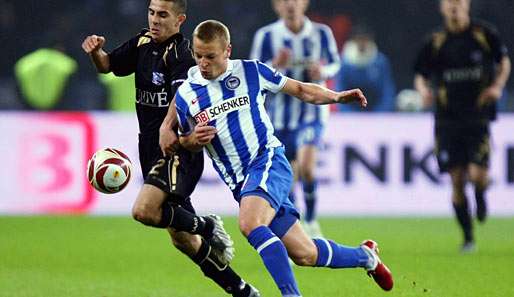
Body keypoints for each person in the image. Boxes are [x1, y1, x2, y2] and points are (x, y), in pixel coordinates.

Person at [169, 19, 393, 297]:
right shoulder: (186, 94)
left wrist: (336, 96)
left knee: (250, 224)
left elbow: (300, 89)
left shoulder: (251, 71)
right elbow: (185, 141)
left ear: (227, 50)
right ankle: (365, 256)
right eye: (199, 55)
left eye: (210, 56)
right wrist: (191, 140)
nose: (203, 63)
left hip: (267, 161)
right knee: (305, 253)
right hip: (242, 183)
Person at [81, 1, 260, 296]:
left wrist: (178, 135)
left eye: (162, 15)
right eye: (151, 12)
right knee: (181, 238)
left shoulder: (181, 57)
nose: (154, 20)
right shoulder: (142, 43)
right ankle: (241, 290)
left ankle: (206, 225)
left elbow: (183, 105)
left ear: (179, 20)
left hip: (177, 150)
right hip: (149, 149)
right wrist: (95, 52)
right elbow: (108, 66)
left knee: (144, 211)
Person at [414, 0, 510, 252]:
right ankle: (468, 238)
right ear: (442, 8)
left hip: (477, 117)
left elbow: (504, 62)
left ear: (466, 5)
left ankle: (480, 193)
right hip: (447, 120)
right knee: (457, 181)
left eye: (458, 2)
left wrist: (497, 87)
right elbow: (420, 75)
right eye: (449, 3)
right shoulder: (435, 41)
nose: (454, 7)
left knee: (478, 175)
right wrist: (424, 91)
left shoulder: (484, 34)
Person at [249, 0, 340, 237]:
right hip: (277, 117)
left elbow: (334, 63)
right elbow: (253, 73)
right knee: (287, 176)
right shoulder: (267, 36)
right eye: (284, 0)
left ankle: (311, 219)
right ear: (276, 6)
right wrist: (274, 65)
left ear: (305, 3)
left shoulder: (321, 33)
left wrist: (323, 72)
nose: (291, 4)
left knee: (307, 168)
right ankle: (296, 223)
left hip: (311, 113)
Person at [336, 25, 396, 112]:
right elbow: (339, 91)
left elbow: (387, 91)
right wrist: (349, 116)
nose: (362, 43)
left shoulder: (380, 62)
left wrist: (380, 114)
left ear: (370, 40)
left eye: (365, 39)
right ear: (353, 40)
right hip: (351, 113)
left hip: (376, 111)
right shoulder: (344, 62)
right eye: (359, 39)